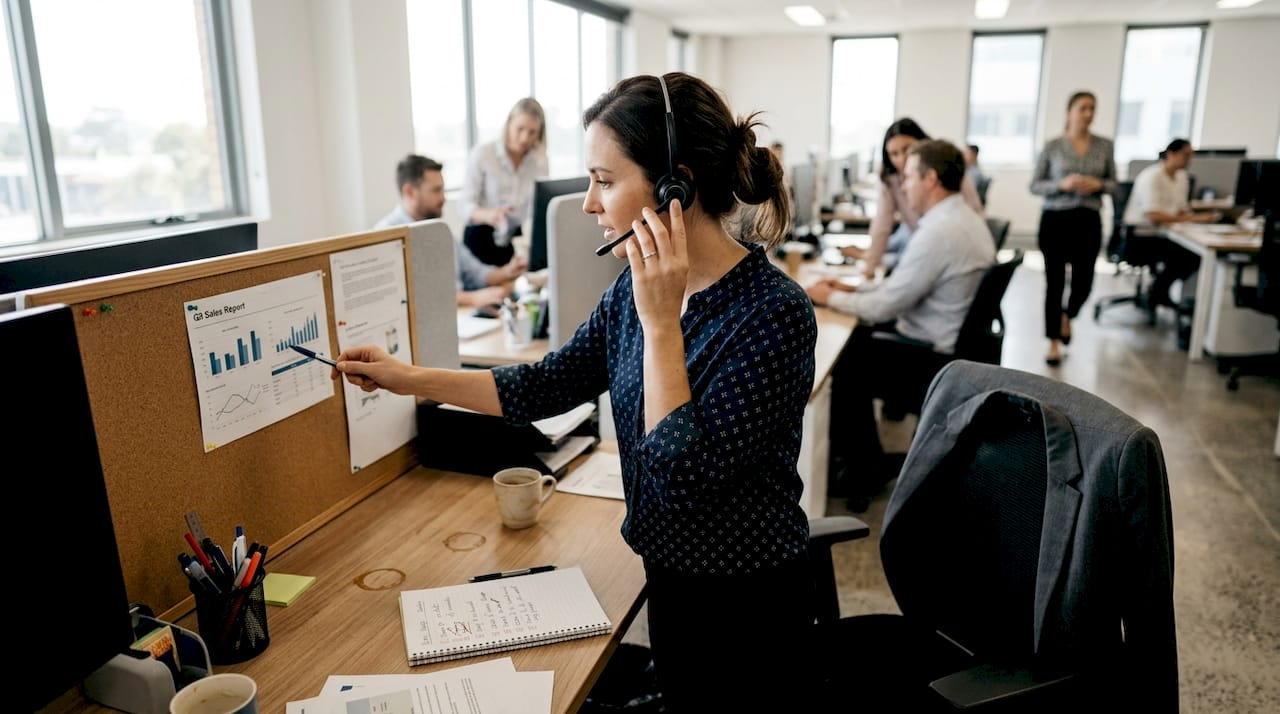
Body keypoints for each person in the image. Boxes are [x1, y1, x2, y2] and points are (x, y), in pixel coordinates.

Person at [335, 73, 816, 711]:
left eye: (604, 180)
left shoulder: (773, 314)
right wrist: (406, 378)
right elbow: (544, 384)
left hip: (745, 613)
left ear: (676, 187)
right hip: (670, 589)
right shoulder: (630, 292)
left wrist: (661, 324)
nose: (589, 203)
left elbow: (681, 485)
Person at [807, 139, 994, 511]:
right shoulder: (960, 219)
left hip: (933, 360)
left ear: (931, 179)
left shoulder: (940, 232)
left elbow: (887, 305)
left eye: (909, 177)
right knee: (857, 336)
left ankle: (863, 469)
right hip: (949, 348)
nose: (904, 187)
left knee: (845, 359)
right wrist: (852, 288)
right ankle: (863, 458)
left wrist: (828, 297)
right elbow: (901, 287)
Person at [1030, 90, 1117, 366]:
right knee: (1054, 283)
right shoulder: (1053, 146)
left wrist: (1099, 184)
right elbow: (1034, 185)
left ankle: (1068, 315)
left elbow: (1115, 185)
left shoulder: (1104, 146)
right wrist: (1061, 184)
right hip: (1056, 220)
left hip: (1088, 220)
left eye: (1092, 108)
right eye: (1083, 108)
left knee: (1084, 282)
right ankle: (1053, 341)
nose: (1088, 114)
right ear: (1069, 112)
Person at [374, 153, 525, 308]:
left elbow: (477, 273)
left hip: (461, 315)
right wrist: (471, 299)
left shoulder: (439, 231)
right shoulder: (386, 236)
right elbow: (406, 299)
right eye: (436, 190)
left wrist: (508, 271)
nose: (443, 198)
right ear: (409, 192)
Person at [843, 118, 985, 277]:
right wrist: (870, 266)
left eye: (907, 149)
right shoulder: (889, 178)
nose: (902, 159)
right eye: (894, 154)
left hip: (950, 251)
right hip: (921, 247)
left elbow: (974, 212)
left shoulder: (947, 169)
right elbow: (882, 225)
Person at [1123, 138, 1221, 309]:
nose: (1189, 160)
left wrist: (1200, 218)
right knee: (1187, 256)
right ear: (1170, 154)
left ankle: (1159, 290)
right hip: (1142, 237)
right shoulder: (1152, 176)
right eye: (1186, 155)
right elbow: (1154, 215)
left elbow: (1182, 210)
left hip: (1166, 234)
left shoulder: (1182, 178)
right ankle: (1158, 291)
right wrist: (1192, 219)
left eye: (1191, 156)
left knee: (1194, 254)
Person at [459, 97, 549, 267]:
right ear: (509, 124)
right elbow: (464, 206)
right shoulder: (483, 154)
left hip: (517, 241)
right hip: (482, 238)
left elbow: (536, 211)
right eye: (520, 129)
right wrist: (489, 215)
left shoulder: (540, 162)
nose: (525, 138)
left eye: (532, 132)